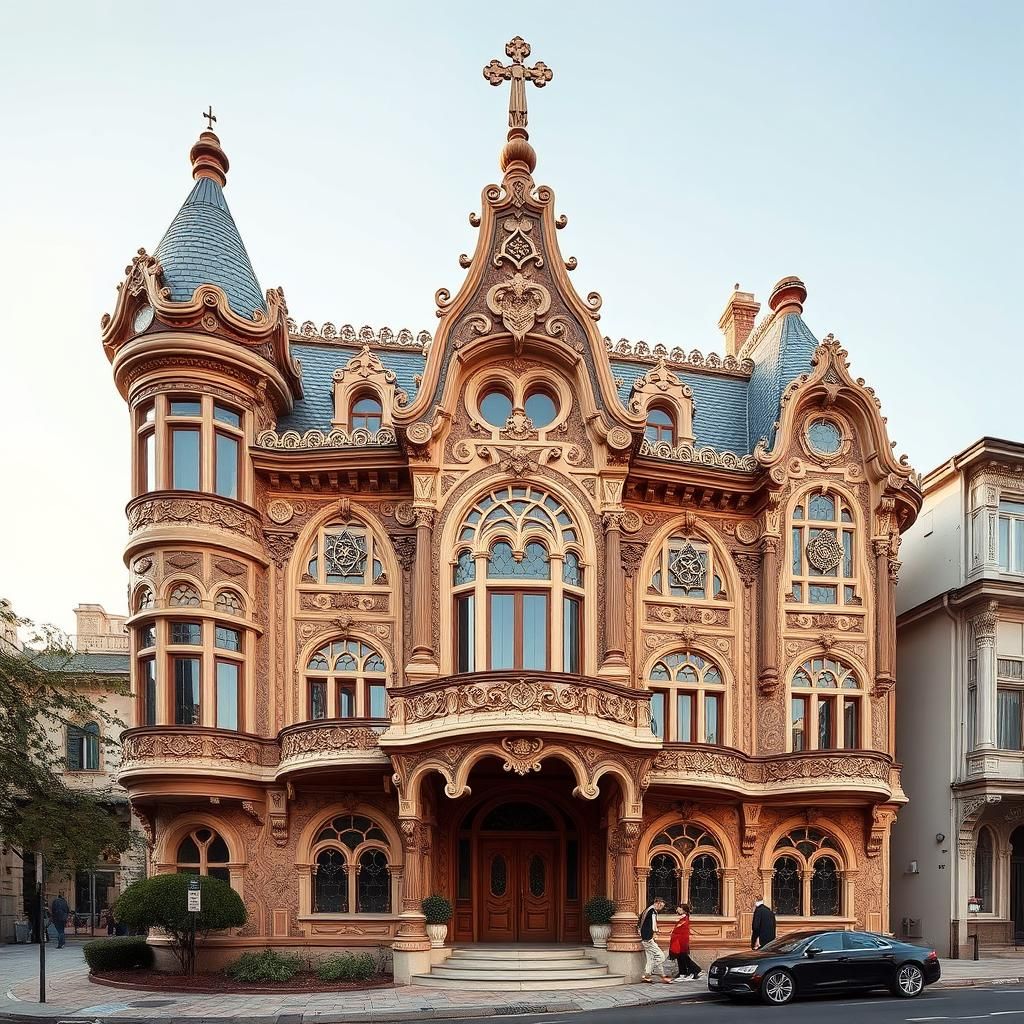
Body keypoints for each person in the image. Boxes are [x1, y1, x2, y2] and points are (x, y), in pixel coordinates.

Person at [638, 896, 671, 983]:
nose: (661, 908)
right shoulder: (652, 912)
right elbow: (653, 925)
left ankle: (647, 975)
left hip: (644, 937)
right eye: (661, 906)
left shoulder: (646, 910)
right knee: (660, 956)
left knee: (650, 958)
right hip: (648, 938)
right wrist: (655, 932)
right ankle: (655, 973)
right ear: (657, 903)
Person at [668, 904, 702, 981]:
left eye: (679, 909)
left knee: (683, 957)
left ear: (684, 911)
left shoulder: (684, 919)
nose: (677, 910)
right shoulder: (682, 918)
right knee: (680, 957)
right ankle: (683, 973)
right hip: (679, 941)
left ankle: (696, 970)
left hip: (681, 941)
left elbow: (678, 929)